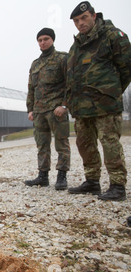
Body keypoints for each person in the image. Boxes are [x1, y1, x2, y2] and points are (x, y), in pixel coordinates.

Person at [66, 1, 130, 201]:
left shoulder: (112, 36)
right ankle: (92, 181)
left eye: (84, 18)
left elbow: (126, 68)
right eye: (76, 21)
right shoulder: (76, 46)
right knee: (85, 144)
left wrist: (112, 92)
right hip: (82, 108)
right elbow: (71, 77)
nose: (80, 23)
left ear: (94, 16)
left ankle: (117, 185)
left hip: (105, 105)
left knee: (109, 143)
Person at [25, 28, 71, 190]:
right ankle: (43, 176)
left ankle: (61, 176)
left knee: (61, 143)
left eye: (46, 39)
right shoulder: (35, 64)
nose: (43, 42)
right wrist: (30, 109)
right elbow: (31, 88)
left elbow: (70, 84)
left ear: (52, 40)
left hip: (56, 110)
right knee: (42, 145)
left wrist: (64, 105)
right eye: (40, 40)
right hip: (39, 112)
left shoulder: (62, 59)